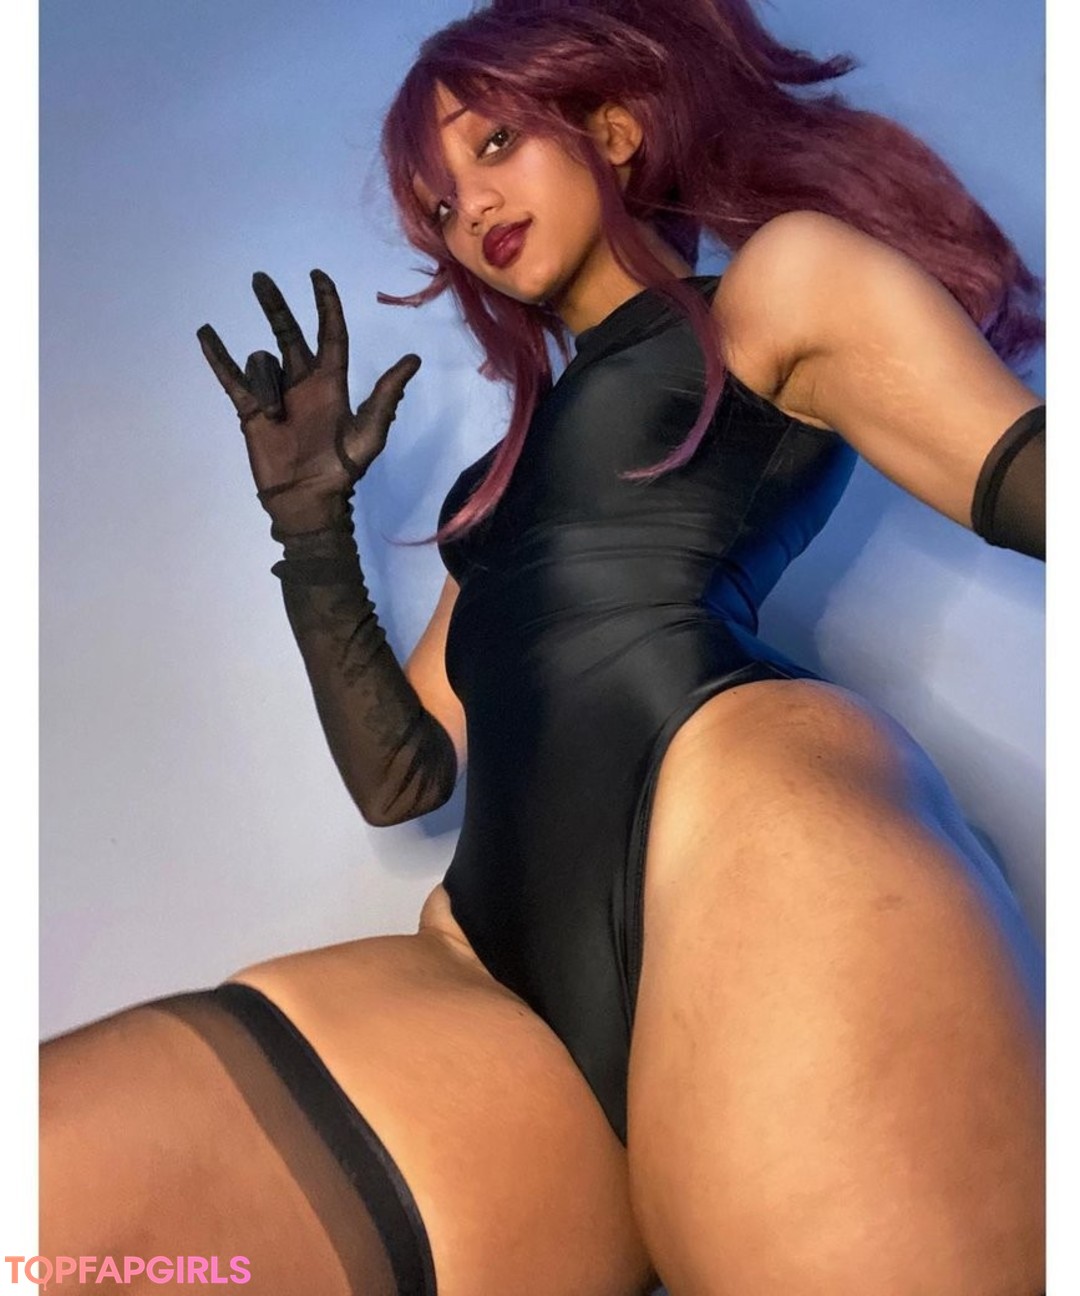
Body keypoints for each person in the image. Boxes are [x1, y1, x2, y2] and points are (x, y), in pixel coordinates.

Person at [40, 0, 1046, 1293]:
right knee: (53, 1207)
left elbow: (1027, 478)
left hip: (750, 850)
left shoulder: (774, 288)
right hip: (487, 975)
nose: (469, 207)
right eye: (439, 204)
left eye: (494, 144)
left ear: (614, 128)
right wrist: (311, 531)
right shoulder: (493, 487)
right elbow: (403, 777)